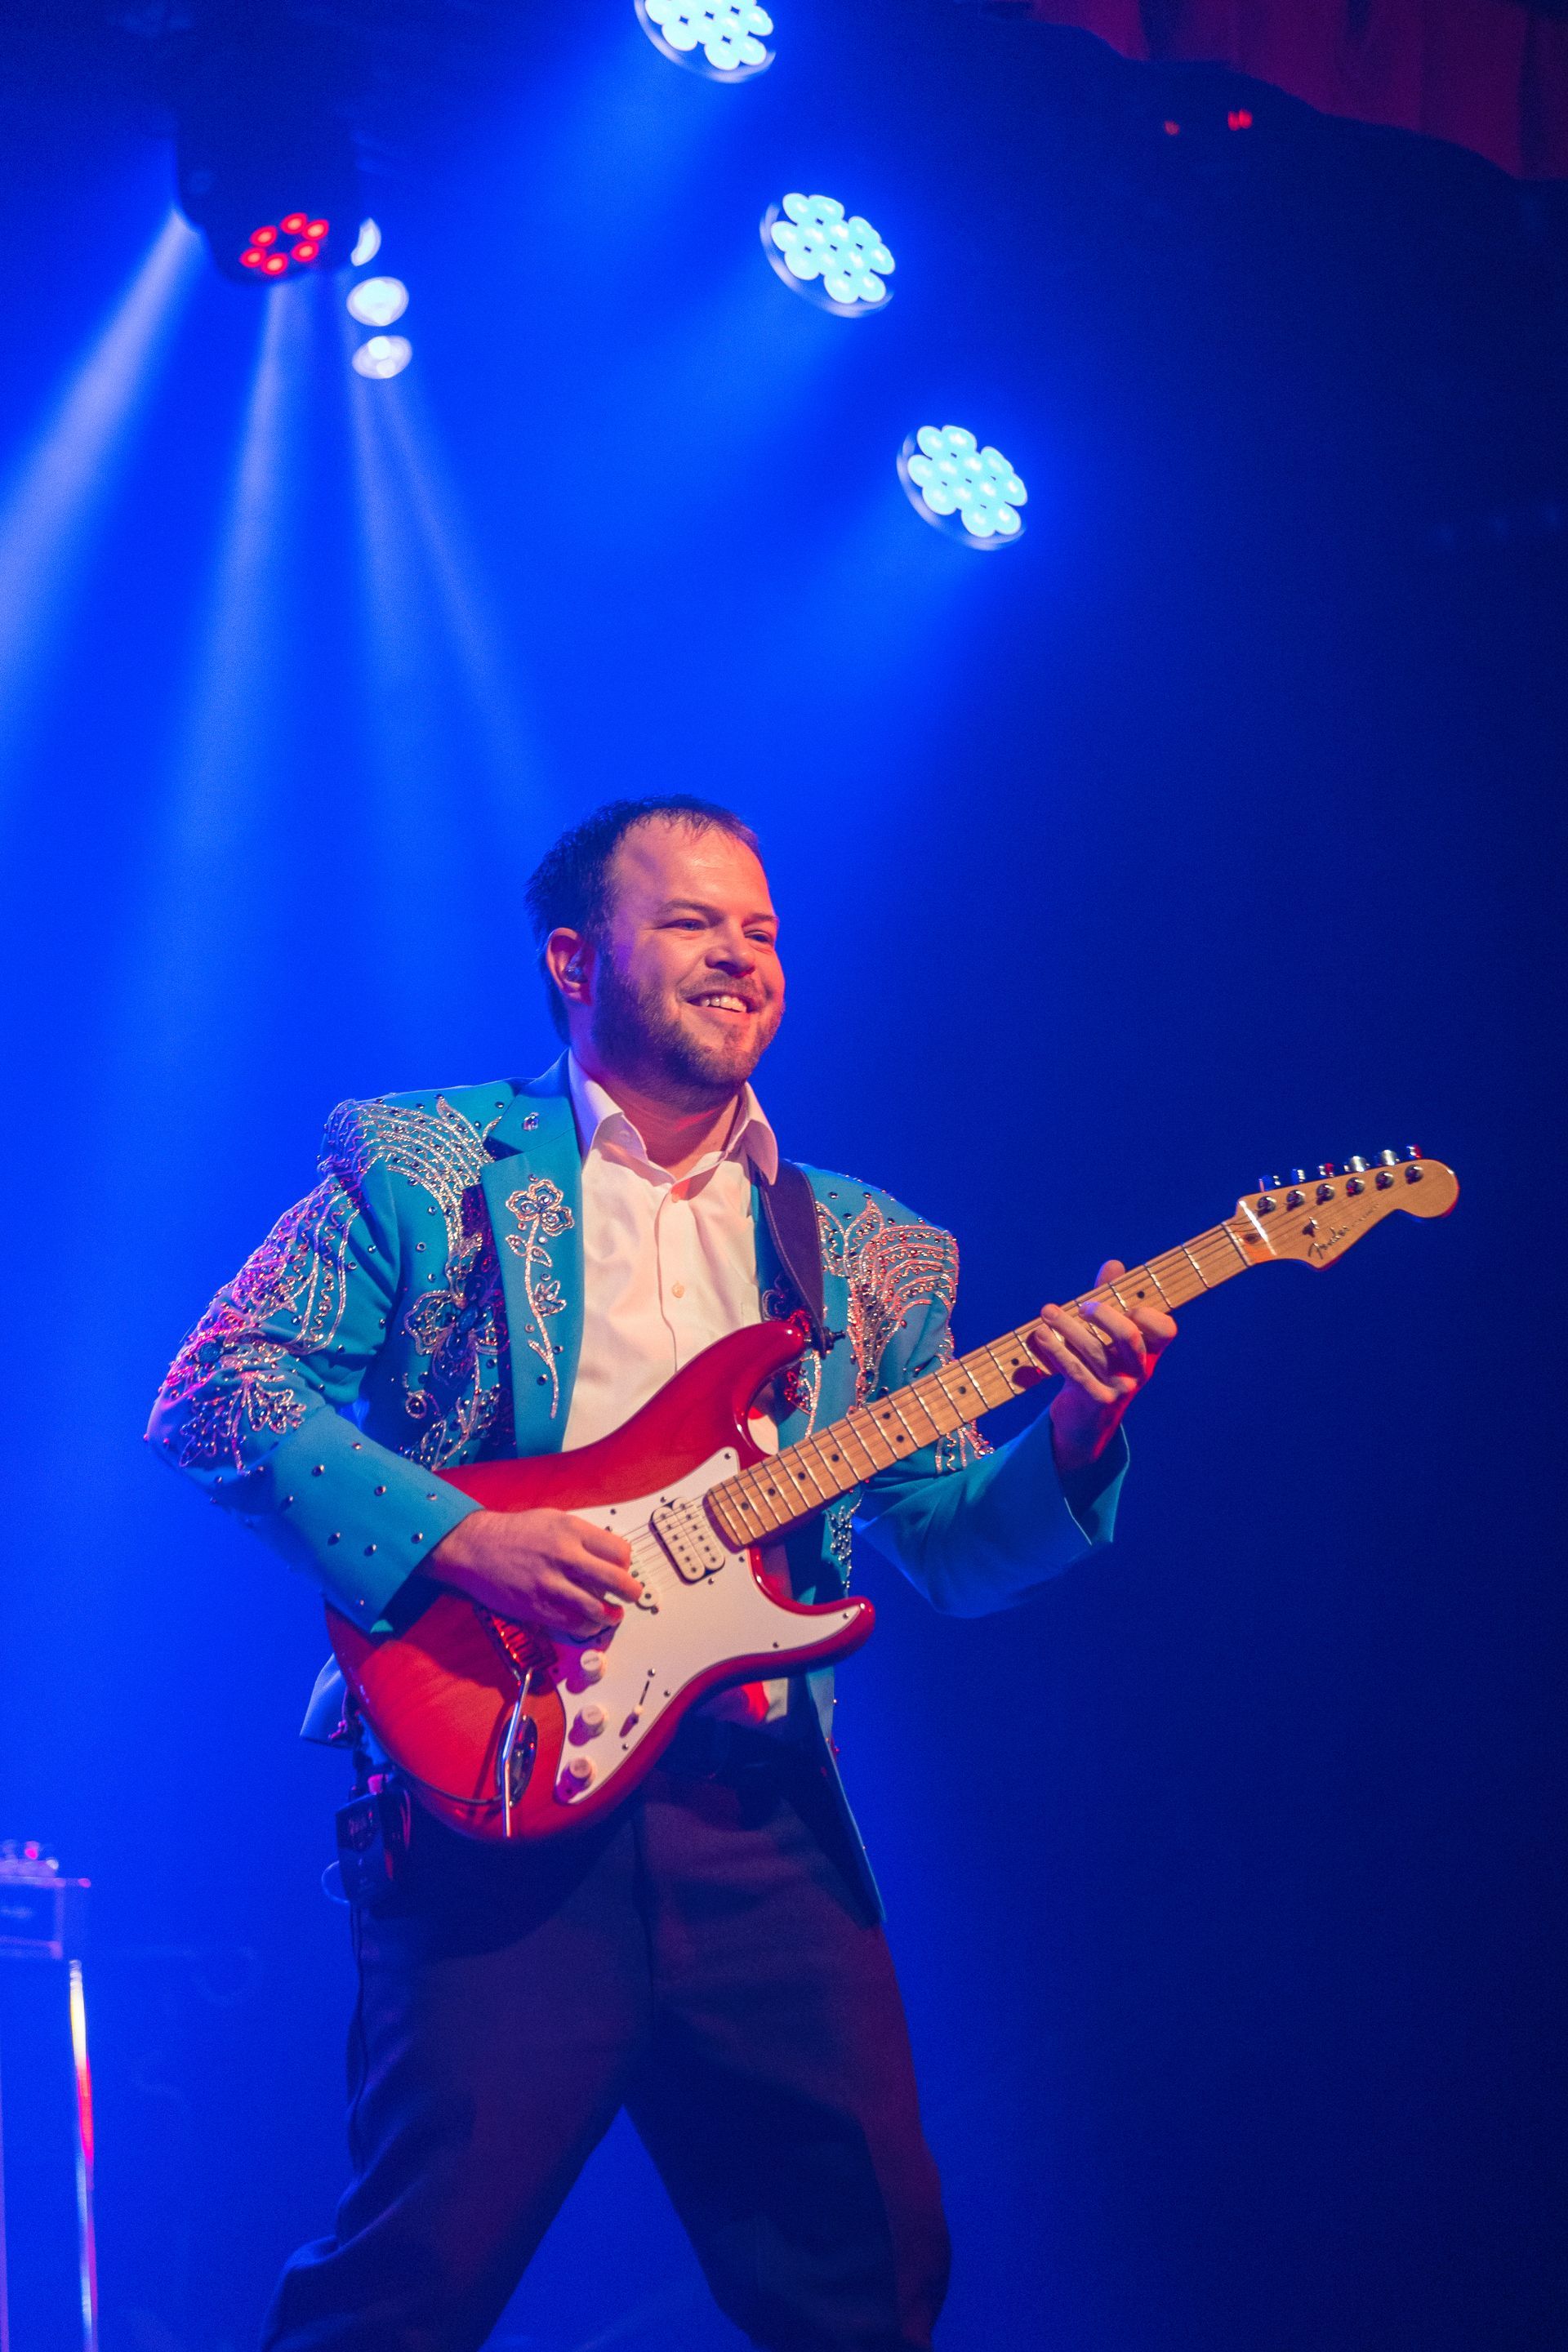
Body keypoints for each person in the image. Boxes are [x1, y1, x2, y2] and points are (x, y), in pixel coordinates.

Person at [148, 796, 1176, 2352]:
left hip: (753, 1813)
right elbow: (219, 1385)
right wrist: (463, 1537)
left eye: (763, 930)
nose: (743, 956)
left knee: (873, 2277)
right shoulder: (423, 1164)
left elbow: (954, 1548)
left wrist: (1082, 1431)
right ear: (576, 958)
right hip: (499, 1789)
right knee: (407, 2288)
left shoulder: (876, 1250)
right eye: (695, 922)